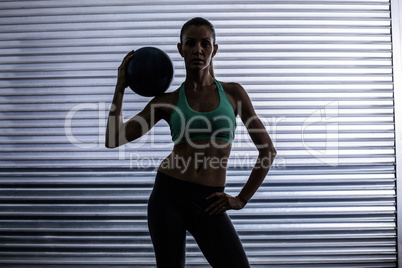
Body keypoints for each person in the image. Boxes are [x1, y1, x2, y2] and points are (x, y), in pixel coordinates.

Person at [106, 17, 276, 268]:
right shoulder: (167, 101)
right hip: (168, 197)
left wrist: (241, 199)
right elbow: (114, 138)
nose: (198, 50)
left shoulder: (233, 94)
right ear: (180, 49)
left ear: (214, 50)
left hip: (209, 201)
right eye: (191, 43)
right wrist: (120, 87)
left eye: (205, 44)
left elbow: (267, 151)